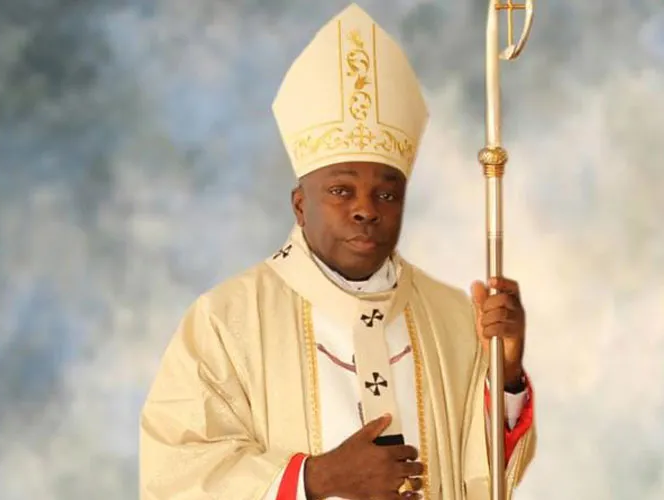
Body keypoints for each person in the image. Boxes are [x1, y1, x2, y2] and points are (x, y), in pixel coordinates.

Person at [139, 3, 536, 499]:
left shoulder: (454, 318)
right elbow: (177, 474)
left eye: (386, 194)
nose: (366, 210)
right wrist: (316, 479)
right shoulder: (225, 322)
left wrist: (506, 370)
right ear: (300, 205)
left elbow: (486, 477)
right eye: (341, 191)